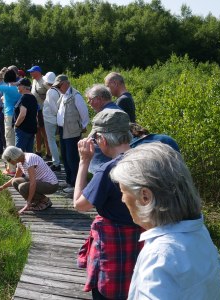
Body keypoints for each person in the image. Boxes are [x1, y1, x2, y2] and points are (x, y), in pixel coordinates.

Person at [110, 143, 220, 299]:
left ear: (145, 196)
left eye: (123, 192)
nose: (123, 200)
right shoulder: (199, 232)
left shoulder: (160, 256)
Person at [73, 109, 143, 300]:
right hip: (143, 242)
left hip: (114, 248)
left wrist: (84, 162)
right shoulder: (147, 160)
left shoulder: (108, 170)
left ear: (102, 140)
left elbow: (80, 205)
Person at [0, 146, 59, 214]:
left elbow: (33, 183)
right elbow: (15, 178)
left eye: (8, 160)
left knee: (23, 187)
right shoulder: (20, 161)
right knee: (15, 181)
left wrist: (28, 202)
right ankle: (37, 201)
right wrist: (2, 187)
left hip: (51, 185)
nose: (8, 162)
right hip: (40, 182)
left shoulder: (29, 160)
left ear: (13, 156)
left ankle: (45, 201)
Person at [54, 75, 89, 194]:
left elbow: (84, 114)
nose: (58, 88)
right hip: (63, 129)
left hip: (72, 131)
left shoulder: (76, 96)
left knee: (72, 157)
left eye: (59, 86)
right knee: (64, 156)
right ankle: (69, 180)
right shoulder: (63, 94)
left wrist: (82, 128)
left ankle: (75, 184)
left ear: (65, 84)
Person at [85, 84, 126, 174]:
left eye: (90, 100)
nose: (88, 103)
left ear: (99, 99)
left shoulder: (105, 115)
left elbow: (92, 138)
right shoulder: (118, 111)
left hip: (102, 167)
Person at [0, 67, 20, 175]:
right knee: (16, 141)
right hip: (17, 115)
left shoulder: (7, 88)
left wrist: (0, 73)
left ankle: (11, 169)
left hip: (9, 115)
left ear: (6, 79)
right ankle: (18, 167)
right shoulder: (19, 87)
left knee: (9, 142)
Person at [28, 65, 50, 160]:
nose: (30, 73)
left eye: (32, 72)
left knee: (44, 132)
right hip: (36, 110)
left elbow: (52, 92)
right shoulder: (34, 81)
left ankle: (49, 153)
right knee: (37, 131)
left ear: (37, 72)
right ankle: (38, 150)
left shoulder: (44, 82)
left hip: (43, 110)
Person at [42, 71, 62, 171]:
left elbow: (54, 108)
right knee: (53, 140)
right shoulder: (58, 90)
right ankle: (55, 160)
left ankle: (56, 163)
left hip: (50, 119)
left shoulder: (50, 91)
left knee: (51, 141)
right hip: (54, 119)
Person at [13, 77, 38, 152]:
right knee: (29, 153)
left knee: (18, 152)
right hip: (31, 129)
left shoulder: (24, 98)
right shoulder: (33, 97)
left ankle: (17, 164)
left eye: (18, 85)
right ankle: (29, 164)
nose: (17, 87)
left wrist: (16, 125)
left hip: (23, 129)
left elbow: (23, 114)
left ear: (24, 87)